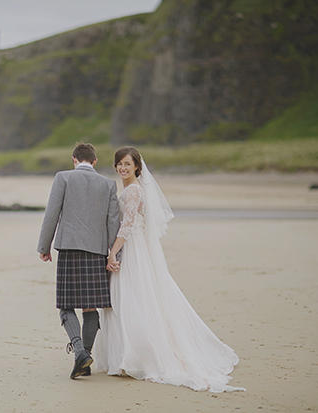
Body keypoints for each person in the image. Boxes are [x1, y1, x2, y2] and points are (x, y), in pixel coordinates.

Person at [93, 146, 245, 393]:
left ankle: (135, 357)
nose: (122, 168)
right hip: (136, 247)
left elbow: (128, 225)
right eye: (119, 164)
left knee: (130, 299)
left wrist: (112, 252)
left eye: (127, 164)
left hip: (133, 250)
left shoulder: (132, 191)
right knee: (135, 299)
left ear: (137, 168)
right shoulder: (133, 189)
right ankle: (124, 357)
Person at [38, 142, 121, 379]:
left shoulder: (63, 178)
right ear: (94, 162)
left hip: (69, 248)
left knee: (66, 305)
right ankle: (85, 355)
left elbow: (51, 212)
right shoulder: (108, 184)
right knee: (90, 306)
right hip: (97, 252)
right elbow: (113, 222)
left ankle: (80, 353)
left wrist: (44, 246)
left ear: (74, 159)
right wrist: (115, 255)